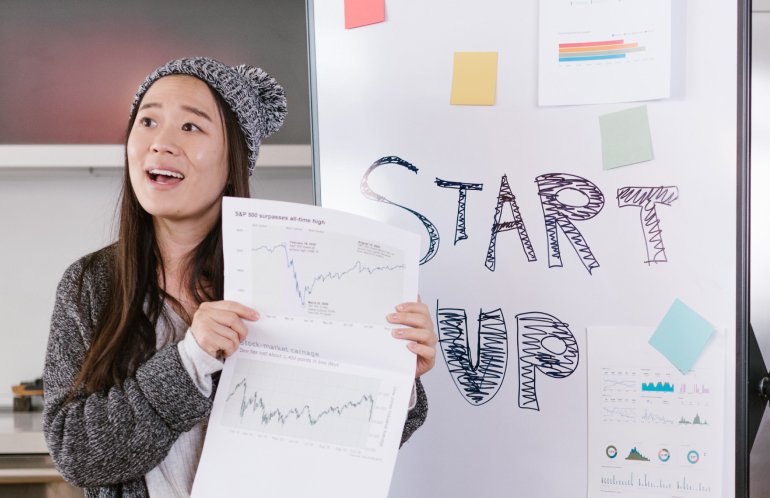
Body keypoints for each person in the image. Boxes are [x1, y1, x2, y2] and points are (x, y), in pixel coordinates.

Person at [43, 57, 436, 498]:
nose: (161, 143)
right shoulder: (91, 284)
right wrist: (190, 360)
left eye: (190, 127)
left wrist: (395, 372)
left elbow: (334, 434)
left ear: (234, 160)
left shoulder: (296, 273)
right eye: (148, 121)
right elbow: (75, 453)